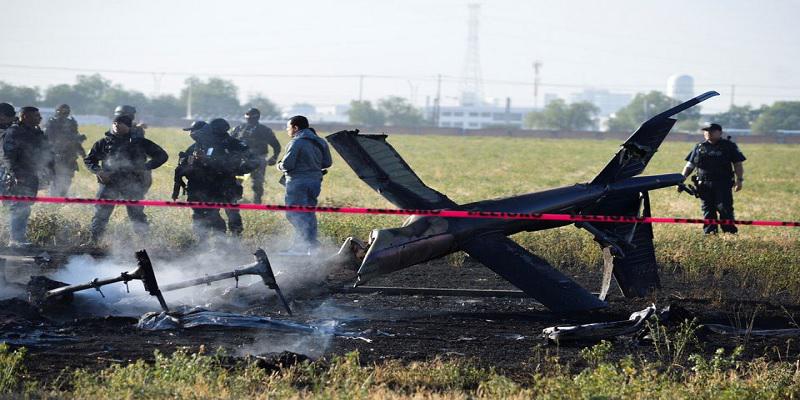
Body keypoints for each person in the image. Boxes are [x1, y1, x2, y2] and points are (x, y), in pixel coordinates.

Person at [84, 114, 168, 243]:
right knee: (101, 214)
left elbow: (162, 155)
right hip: (109, 184)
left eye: (120, 123)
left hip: (132, 183)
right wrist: (98, 171)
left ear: (128, 126)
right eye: (114, 123)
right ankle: (94, 242)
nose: (116, 125)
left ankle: (144, 243)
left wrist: (146, 167)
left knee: (137, 215)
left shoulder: (140, 142)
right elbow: (89, 159)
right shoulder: (103, 142)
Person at [173, 119, 254, 242]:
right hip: (206, 187)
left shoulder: (232, 143)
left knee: (232, 213)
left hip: (227, 185)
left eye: (195, 131)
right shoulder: (200, 144)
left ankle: (236, 241)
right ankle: (212, 243)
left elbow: (254, 161)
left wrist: (238, 170)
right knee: (210, 215)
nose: (192, 134)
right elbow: (186, 165)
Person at [277, 115, 332, 254]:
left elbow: (288, 165)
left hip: (297, 183)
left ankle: (302, 246)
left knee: (294, 214)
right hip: (315, 182)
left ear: (295, 127)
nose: (287, 130)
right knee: (308, 214)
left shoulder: (296, 142)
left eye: (288, 127)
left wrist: (279, 166)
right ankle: (311, 247)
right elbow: (327, 163)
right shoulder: (320, 141)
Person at [1, 106, 54, 247]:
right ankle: (16, 240)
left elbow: (47, 152)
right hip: (18, 175)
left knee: (25, 207)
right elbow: (8, 156)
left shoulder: (37, 133)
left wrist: (50, 171)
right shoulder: (14, 132)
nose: (40, 118)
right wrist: (15, 174)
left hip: (32, 175)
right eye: (36, 116)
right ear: (24, 116)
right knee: (18, 206)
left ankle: (19, 238)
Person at [682, 123, 746, 234]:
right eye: (706, 131)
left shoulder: (729, 146)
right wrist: (681, 179)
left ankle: (729, 233)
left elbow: (737, 164)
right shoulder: (699, 147)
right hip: (703, 184)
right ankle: (710, 233)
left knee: (724, 208)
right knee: (708, 210)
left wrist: (739, 180)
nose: (708, 133)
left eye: (711, 130)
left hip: (723, 183)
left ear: (720, 132)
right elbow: (690, 165)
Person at [231, 108, 281, 203]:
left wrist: (274, 157)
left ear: (257, 118)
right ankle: (234, 200)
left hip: (258, 160)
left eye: (252, 118)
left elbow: (276, 145)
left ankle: (257, 202)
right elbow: (229, 142)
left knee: (257, 183)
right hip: (241, 160)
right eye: (248, 117)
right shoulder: (239, 128)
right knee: (237, 181)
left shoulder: (265, 130)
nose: (250, 120)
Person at [44, 104, 86, 196]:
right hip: (56, 155)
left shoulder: (71, 123)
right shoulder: (52, 123)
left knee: (67, 180)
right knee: (55, 180)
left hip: (69, 156)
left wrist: (80, 148)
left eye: (66, 111)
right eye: (62, 111)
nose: (64, 113)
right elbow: (48, 139)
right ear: (57, 111)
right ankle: (53, 200)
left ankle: (61, 197)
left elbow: (75, 137)